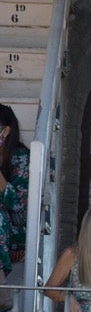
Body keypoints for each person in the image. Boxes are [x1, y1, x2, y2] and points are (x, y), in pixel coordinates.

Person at [0, 103, 29, 301]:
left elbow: (17, 203)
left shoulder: (20, 157)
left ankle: (2, 291)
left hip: (12, 228)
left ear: (6, 130)